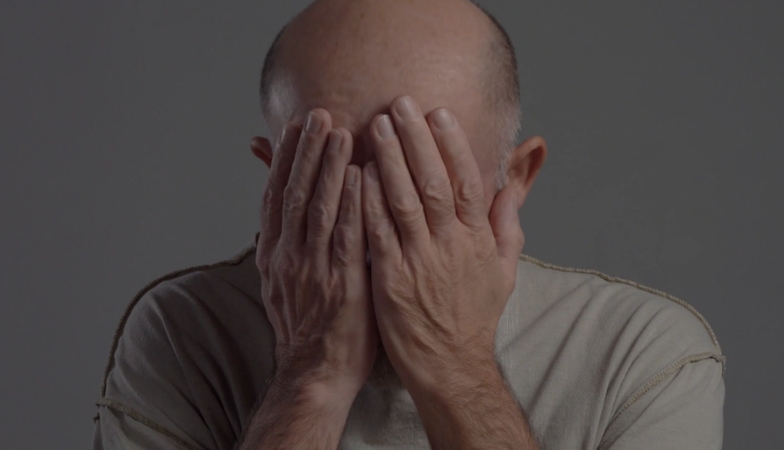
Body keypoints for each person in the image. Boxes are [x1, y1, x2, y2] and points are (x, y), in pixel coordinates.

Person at [92, 0, 726, 448]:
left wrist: (456, 365)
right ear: (275, 182)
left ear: (517, 177)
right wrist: (310, 378)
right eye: (333, 176)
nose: (378, 217)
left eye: (419, 184)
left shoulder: (643, 354)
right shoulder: (182, 335)